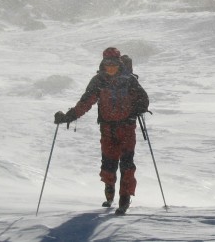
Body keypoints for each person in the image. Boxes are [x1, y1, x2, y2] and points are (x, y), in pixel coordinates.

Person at [54, 47, 149, 215]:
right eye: (107, 65)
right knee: (109, 164)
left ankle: (124, 199)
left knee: (127, 165)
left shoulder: (129, 80)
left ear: (119, 64)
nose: (110, 68)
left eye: (113, 64)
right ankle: (110, 192)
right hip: (107, 130)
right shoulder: (98, 81)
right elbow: (85, 103)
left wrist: (135, 111)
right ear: (103, 64)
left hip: (127, 129)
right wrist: (68, 117)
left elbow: (143, 99)